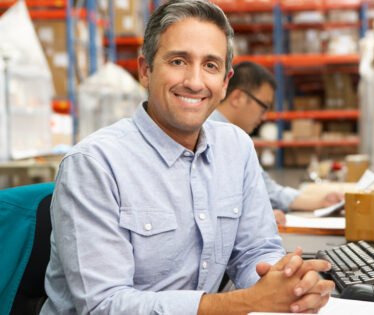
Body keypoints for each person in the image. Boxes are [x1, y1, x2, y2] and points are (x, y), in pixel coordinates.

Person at [40, 1, 334, 314]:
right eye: (178, 61)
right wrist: (248, 301)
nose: (194, 81)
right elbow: (104, 305)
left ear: (224, 82)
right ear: (145, 70)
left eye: (210, 65)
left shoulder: (237, 148)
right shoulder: (94, 164)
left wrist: (288, 284)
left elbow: (254, 252)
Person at [209, 61, 343, 225]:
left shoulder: (235, 139)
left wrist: (321, 202)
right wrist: (254, 217)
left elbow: (266, 189)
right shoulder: (213, 134)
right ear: (237, 98)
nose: (264, 116)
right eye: (263, 106)